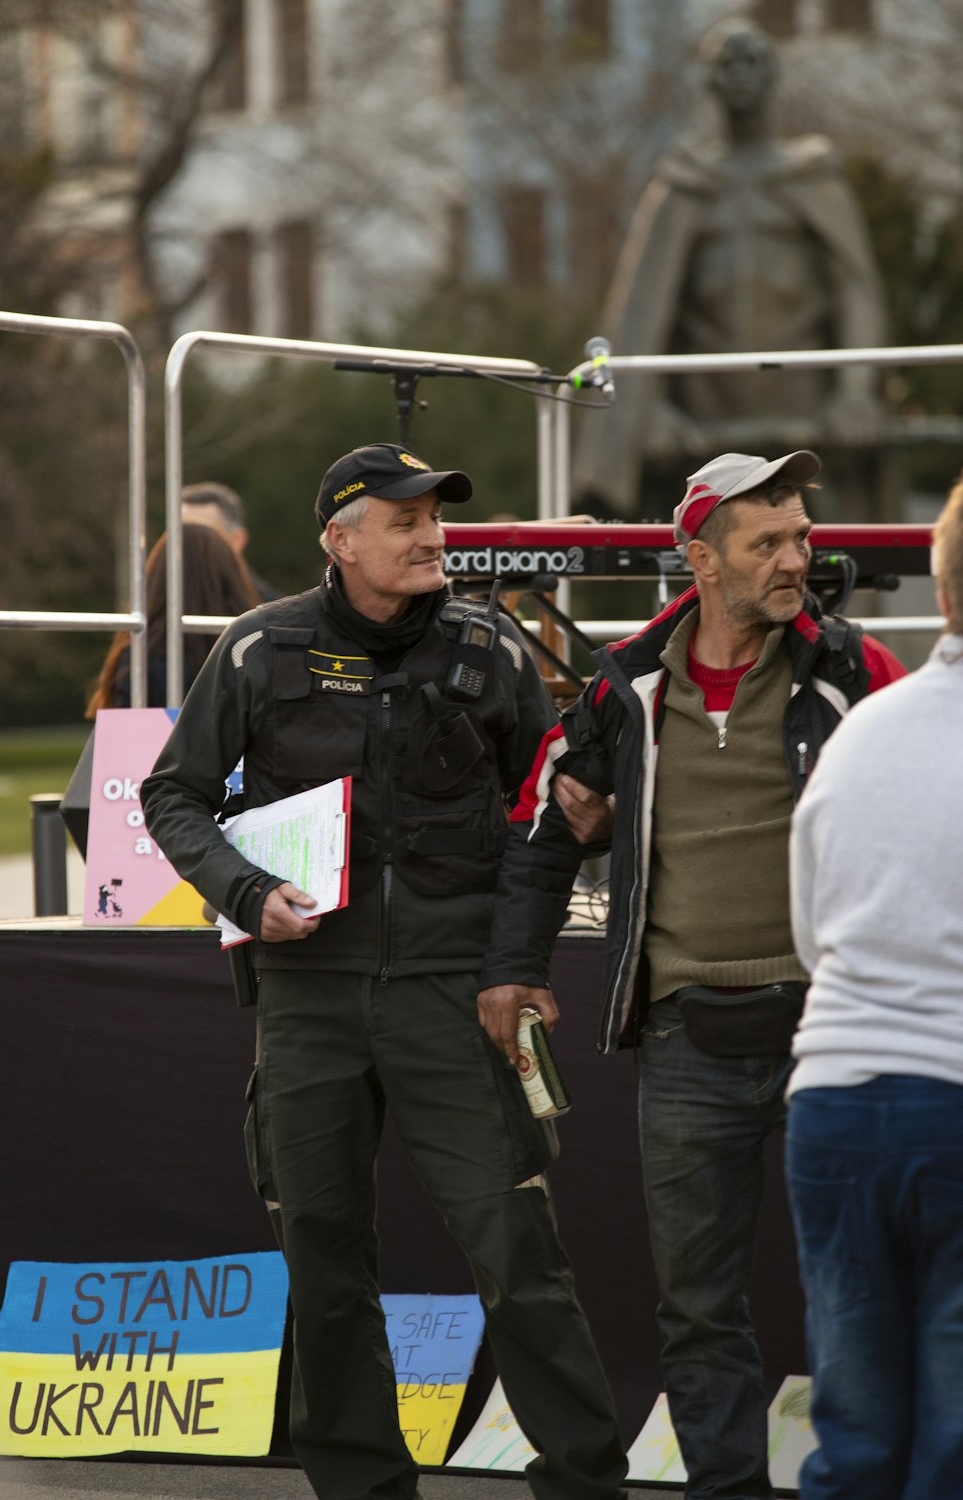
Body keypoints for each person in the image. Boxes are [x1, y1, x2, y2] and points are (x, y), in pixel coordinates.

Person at [140, 442, 628, 1500]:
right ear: (339, 538)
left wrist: (573, 848)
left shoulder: (490, 649)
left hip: (458, 998)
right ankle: (359, 1484)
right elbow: (171, 794)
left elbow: (548, 814)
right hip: (308, 997)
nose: (430, 536)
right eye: (402, 520)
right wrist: (240, 891)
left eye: (435, 516)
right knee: (321, 1261)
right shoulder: (256, 649)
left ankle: (584, 1480)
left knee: (516, 1249)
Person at [478, 449, 906, 1500]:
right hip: (684, 1042)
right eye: (766, 542)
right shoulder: (624, 684)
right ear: (699, 560)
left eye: (801, 537)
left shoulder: (857, 672)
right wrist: (512, 973)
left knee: (860, 1290)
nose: (796, 559)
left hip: (833, 1032)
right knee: (698, 1306)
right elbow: (541, 827)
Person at [785, 478, 963, 1499]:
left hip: (835, 1101)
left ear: (940, 592)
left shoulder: (863, 733)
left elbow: (814, 931)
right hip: (950, 1100)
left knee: (853, 1438)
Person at [573, 18, 886, 515]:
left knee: (828, 563)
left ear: (772, 73)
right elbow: (641, 312)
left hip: (809, 414)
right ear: (708, 79)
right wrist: (649, 408)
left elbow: (856, 289)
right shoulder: (684, 183)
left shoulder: (812, 175)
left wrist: (855, 392)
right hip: (706, 420)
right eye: (726, 63)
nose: (739, 73)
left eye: (751, 61)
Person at [86, 523, 261, 715]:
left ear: (156, 583)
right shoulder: (254, 651)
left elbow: (122, 737)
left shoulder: (137, 659)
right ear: (231, 580)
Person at [182, 479, 280, 600]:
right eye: (181, 534)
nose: (188, 544)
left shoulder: (268, 611)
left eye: (205, 536)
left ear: (237, 540)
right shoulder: (159, 601)